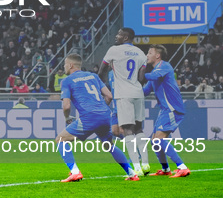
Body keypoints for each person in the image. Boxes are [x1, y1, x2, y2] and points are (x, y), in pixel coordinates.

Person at [56, 54, 137, 182]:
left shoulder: (67, 81)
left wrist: (67, 118)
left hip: (89, 117)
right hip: (105, 114)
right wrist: (100, 111)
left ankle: (75, 172)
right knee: (108, 145)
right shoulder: (93, 76)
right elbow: (109, 96)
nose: (64, 67)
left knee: (61, 139)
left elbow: (66, 106)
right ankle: (132, 173)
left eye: (65, 64)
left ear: (70, 65)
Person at [98, 27, 149, 176]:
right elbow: (141, 78)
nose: (116, 36)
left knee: (127, 130)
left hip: (123, 94)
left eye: (120, 34)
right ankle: (145, 164)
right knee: (139, 129)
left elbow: (102, 71)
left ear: (126, 38)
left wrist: (105, 86)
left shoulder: (114, 50)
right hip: (138, 93)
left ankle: (137, 168)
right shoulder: (141, 53)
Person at [141, 45, 190, 178]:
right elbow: (145, 91)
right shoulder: (156, 72)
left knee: (158, 140)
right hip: (165, 109)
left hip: (172, 108)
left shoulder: (164, 66)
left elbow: (151, 76)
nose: (147, 55)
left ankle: (182, 167)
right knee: (154, 141)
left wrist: (138, 72)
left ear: (157, 56)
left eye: (149, 52)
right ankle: (165, 169)